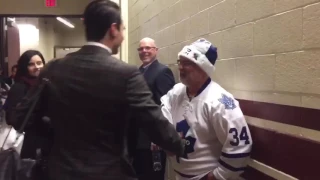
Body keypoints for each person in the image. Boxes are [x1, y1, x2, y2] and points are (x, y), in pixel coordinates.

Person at [11, 1, 185, 180]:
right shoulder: (126, 74)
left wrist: (56, 129)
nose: (124, 36)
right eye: (123, 30)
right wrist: (180, 146)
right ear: (113, 29)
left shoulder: (53, 69)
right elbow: (154, 121)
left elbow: (19, 118)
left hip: (61, 170)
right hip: (109, 172)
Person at [161, 38, 252, 180]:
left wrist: (217, 176)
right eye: (180, 62)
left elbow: (240, 146)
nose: (180, 67)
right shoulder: (177, 91)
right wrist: (166, 138)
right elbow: (163, 107)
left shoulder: (220, 101)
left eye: (187, 63)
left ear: (203, 67)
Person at [132, 37, 175, 180]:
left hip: (152, 141)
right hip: (137, 139)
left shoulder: (163, 72)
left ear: (156, 50)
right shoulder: (138, 71)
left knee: (152, 176)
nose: (144, 51)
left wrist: (159, 137)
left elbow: (164, 107)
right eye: (141, 48)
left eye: (148, 48)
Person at [5, 50, 47, 159]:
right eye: (31, 64)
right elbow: (11, 118)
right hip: (29, 140)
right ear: (24, 66)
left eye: (39, 63)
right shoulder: (19, 87)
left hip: (47, 140)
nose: (37, 67)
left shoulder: (45, 84)